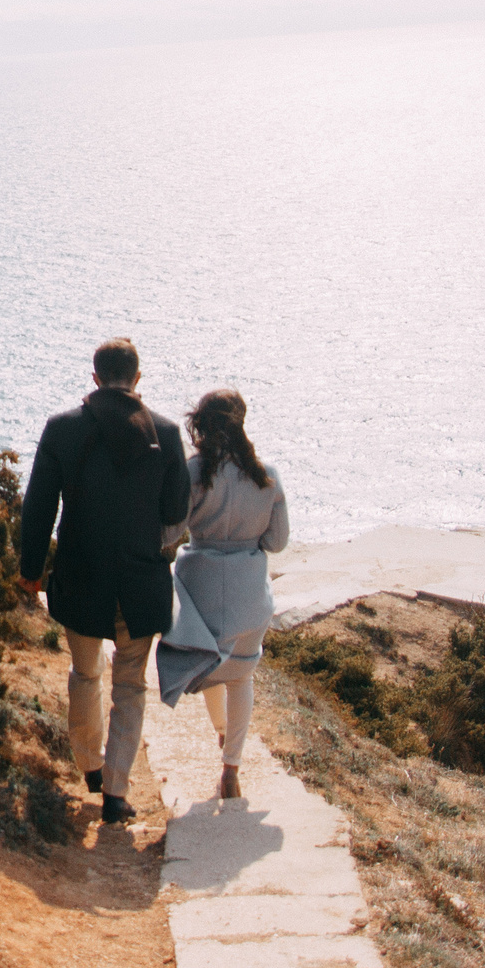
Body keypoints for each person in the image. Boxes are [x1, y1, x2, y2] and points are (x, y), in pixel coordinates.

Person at [17, 338, 190, 827]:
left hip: (79, 579)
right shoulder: (167, 433)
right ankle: (115, 791)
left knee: (85, 674)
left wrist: (32, 569)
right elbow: (176, 512)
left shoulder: (62, 429)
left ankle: (89, 765)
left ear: (95, 378)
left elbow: (39, 506)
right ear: (137, 378)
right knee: (130, 688)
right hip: (139, 582)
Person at [156, 388, 290, 801]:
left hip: (201, 590)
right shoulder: (267, 474)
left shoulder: (193, 472)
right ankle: (231, 766)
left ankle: (220, 733)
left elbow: (171, 532)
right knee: (241, 675)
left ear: (203, 422)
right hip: (251, 593)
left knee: (208, 663)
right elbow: (278, 541)